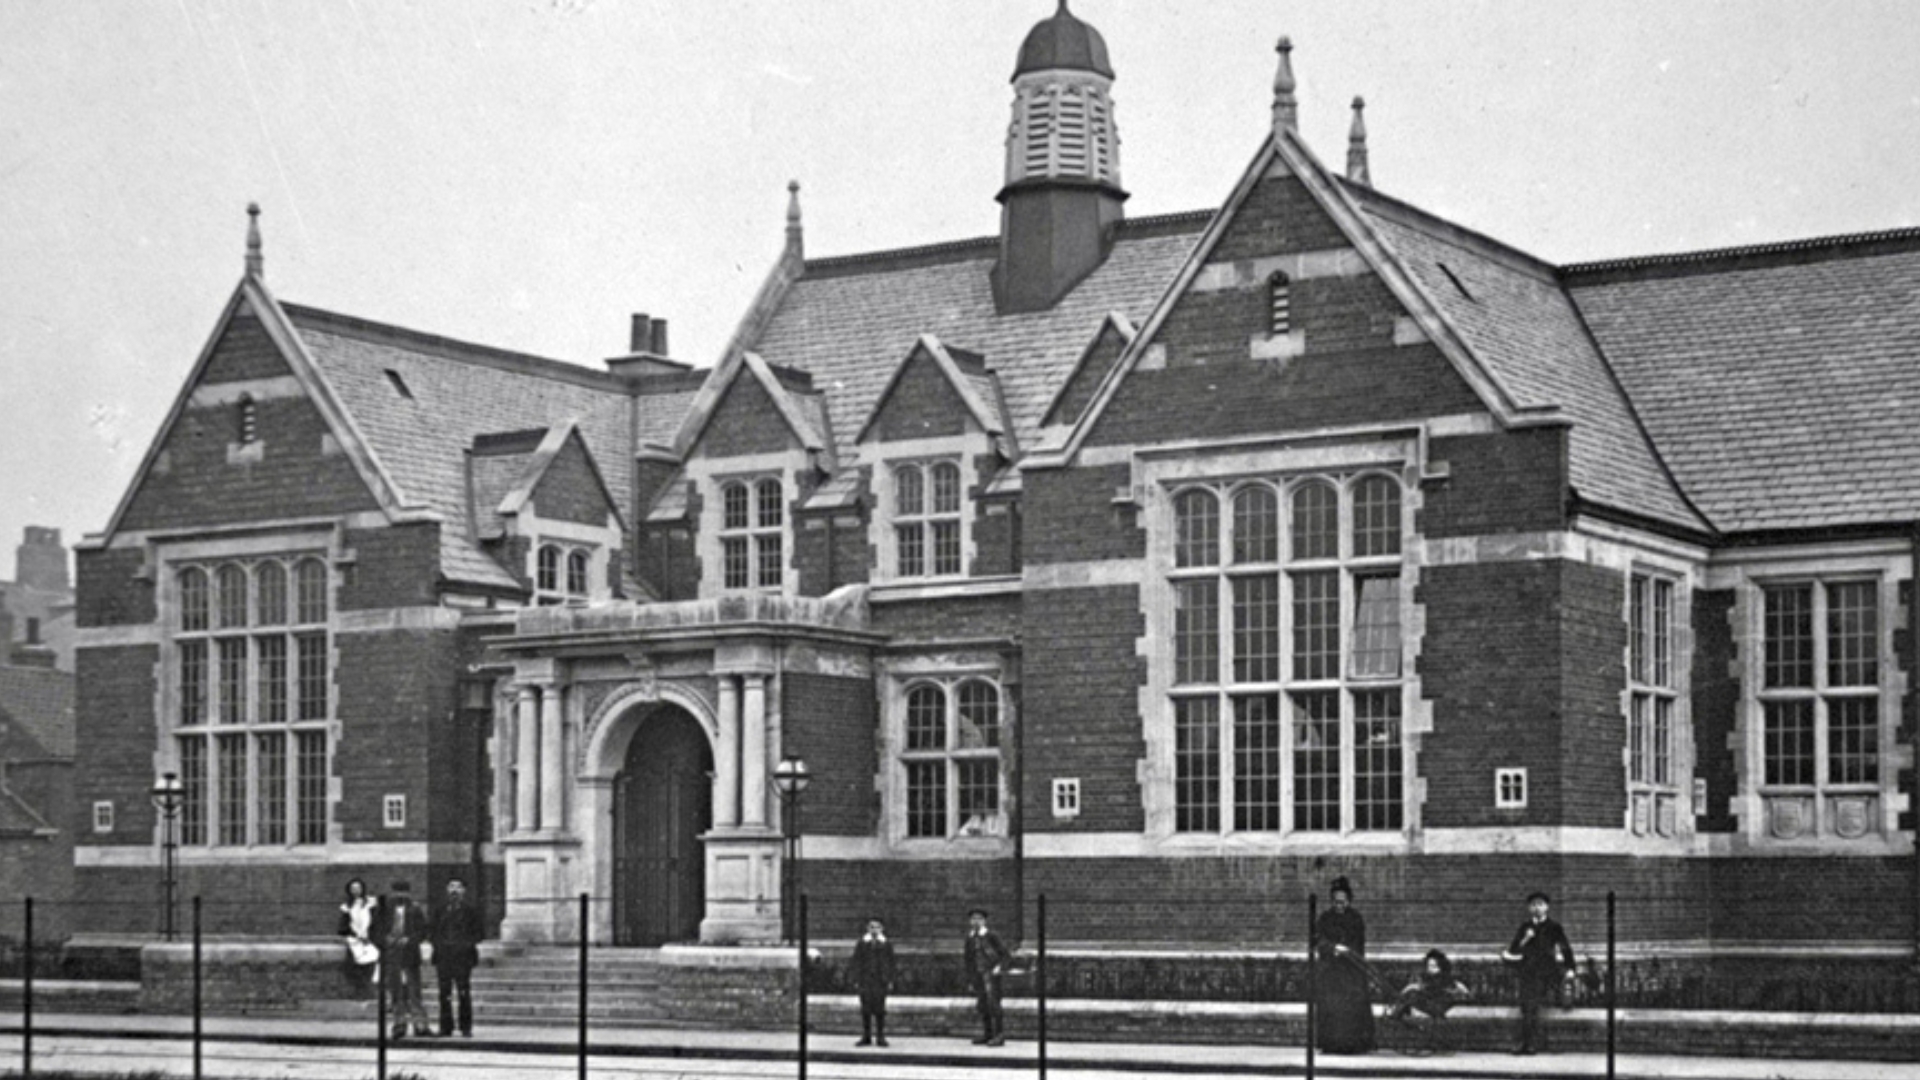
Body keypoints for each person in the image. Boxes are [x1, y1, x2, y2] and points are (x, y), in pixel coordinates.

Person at [1500, 891, 1576, 1055]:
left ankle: (1528, 1043)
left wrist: (1570, 969)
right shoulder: (1525, 927)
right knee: (1526, 1005)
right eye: (1533, 905)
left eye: (1540, 904)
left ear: (1547, 907)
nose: (1537, 908)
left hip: (1546, 972)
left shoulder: (1554, 927)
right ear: (1529, 908)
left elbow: (1565, 948)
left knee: (1531, 1004)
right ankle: (1527, 1043)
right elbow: (1513, 950)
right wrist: (1526, 939)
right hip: (1527, 971)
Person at [1313, 876, 1375, 1054]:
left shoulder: (1356, 919)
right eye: (1335, 902)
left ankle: (1354, 1044)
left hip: (1350, 970)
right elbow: (1318, 941)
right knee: (1331, 1005)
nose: (1338, 905)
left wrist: (1347, 951)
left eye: (1342, 902)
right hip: (1331, 971)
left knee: (1352, 1004)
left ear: (1348, 901)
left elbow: (1359, 943)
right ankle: (1332, 1044)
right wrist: (1333, 948)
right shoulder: (1325, 918)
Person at [429, 877, 483, 1038]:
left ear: (464, 891)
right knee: (444, 993)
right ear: (447, 889)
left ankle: (466, 1027)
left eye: (458, 887)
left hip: (463, 957)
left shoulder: (471, 911)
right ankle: (446, 1027)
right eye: (451, 886)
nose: (454, 890)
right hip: (444, 957)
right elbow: (432, 932)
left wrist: (465, 945)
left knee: (463, 992)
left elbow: (479, 933)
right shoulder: (439, 910)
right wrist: (440, 945)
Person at [380, 879, 430, 1039]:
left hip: (410, 955)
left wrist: (409, 939)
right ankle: (399, 1023)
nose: (400, 895)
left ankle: (420, 1024)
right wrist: (385, 939)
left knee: (414, 991)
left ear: (408, 893)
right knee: (396, 991)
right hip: (392, 955)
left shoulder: (415, 910)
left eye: (403, 892)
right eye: (396, 892)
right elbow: (375, 930)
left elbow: (423, 931)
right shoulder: (383, 911)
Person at [963, 907, 1010, 1047]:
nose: (976, 922)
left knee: (994, 1004)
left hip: (991, 975)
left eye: (979, 919)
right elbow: (968, 959)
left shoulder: (991, 936)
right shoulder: (970, 938)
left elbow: (1005, 955)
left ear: (984, 921)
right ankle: (987, 1033)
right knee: (982, 1005)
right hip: (978, 975)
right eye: (973, 919)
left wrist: (999, 967)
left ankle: (999, 1035)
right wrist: (970, 978)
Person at [849, 916, 897, 1047]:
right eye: (871, 927)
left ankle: (880, 1036)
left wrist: (890, 980)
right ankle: (866, 1036)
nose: (874, 930)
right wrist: (856, 979)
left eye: (877, 927)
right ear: (867, 929)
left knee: (880, 1009)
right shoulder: (862, 943)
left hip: (880, 981)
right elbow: (856, 962)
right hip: (866, 981)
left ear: (882, 929)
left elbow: (891, 963)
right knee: (866, 1009)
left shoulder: (886, 944)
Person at [1391, 949, 1471, 1022]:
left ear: (1441, 967)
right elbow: (1417, 987)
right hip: (1430, 1004)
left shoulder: (1444, 978)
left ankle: (1397, 1015)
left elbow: (1458, 989)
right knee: (1410, 994)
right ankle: (1398, 1015)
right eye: (1429, 966)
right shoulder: (1426, 978)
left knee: (1411, 994)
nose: (1430, 969)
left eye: (1434, 967)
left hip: (1439, 1004)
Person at [336, 878, 380, 1000]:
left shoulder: (371, 904)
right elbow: (342, 926)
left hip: (370, 940)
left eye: (358, 888)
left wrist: (370, 936)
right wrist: (353, 935)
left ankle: (367, 991)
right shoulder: (347, 907)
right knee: (352, 967)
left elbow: (377, 923)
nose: (356, 891)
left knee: (370, 965)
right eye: (353, 889)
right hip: (354, 941)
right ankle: (359, 991)